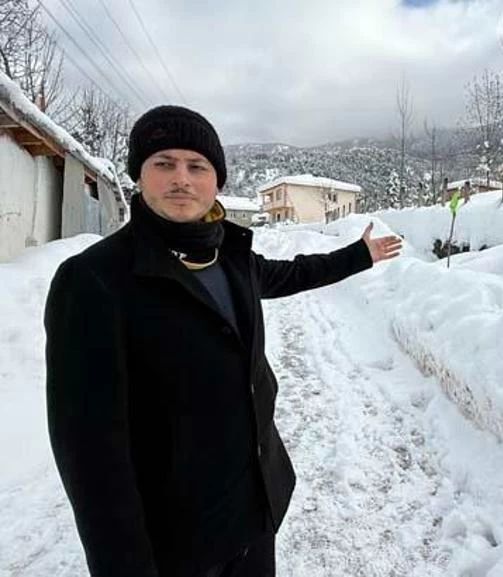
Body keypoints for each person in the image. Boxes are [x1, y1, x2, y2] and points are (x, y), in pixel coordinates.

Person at [44, 105, 402, 577]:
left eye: (198, 166)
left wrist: (359, 255)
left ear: (217, 181)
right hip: (176, 540)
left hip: (255, 512)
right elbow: (90, 456)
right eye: (164, 163)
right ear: (139, 176)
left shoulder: (231, 258)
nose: (182, 179)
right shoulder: (93, 280)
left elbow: (294, 272)